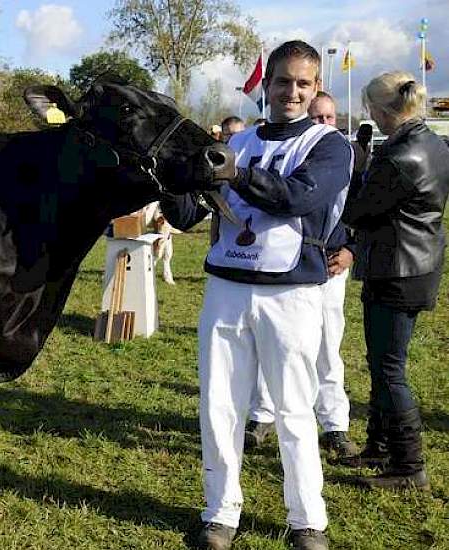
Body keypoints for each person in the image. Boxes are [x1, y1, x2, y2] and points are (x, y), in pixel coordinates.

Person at [162, 40, 353, 550]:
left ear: (315, 89)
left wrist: (233, 173)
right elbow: (187, 216)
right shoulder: (238, 141)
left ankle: (306, 519)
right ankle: (220, 512)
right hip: (226, 288)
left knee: (293, 409)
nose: (291, 91)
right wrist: (166, 176)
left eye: (303, 83)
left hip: (290, 294)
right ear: (265, 85)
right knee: (218, 406)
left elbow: (297, 197)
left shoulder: (329, 145)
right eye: (283, 81)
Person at [341, 71, 449, 490]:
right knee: (384, 363)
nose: (369, 114)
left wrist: (359, 167)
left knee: (389, 368)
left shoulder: (399, 155)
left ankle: (409, 465)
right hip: (418, 262)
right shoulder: (434, 144)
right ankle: (380, 445)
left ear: (383, 110)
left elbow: (358, 211)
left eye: (370, 108)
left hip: (397, 268)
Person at [244, 91, 358, 461]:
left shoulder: (345, 154)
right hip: (288, 265)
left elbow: (361, 209)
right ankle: (261, 415)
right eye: (318, 117)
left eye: (330, 118)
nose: (325, 124)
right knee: (271, 344)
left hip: (330, 262)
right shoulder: (289, 152)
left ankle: (334, 422)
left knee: (326, 345)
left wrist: (352, 249)